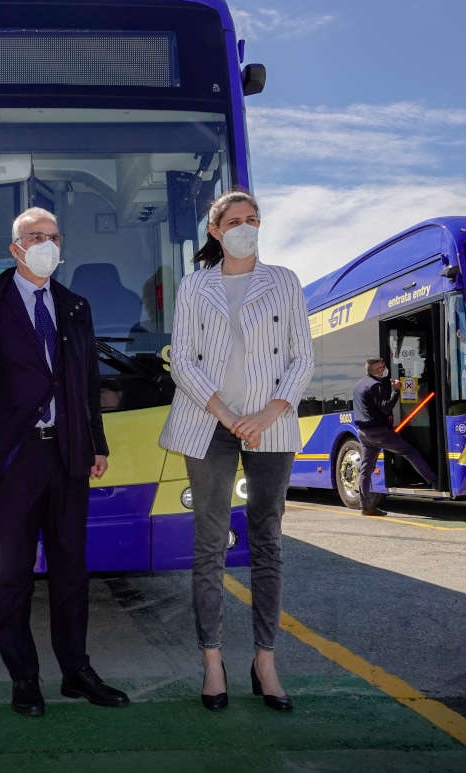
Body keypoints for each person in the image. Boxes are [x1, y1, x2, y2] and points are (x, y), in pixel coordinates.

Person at [0, 207, 129, 716]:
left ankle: (76, 672)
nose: (46, 244)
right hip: (12, 458)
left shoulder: (73, 305)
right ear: (15, 248)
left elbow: (86, 382)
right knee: (13, 575)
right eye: (35, 236)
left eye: (53, 236)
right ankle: (23, 677)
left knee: (72, 570)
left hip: (67, 454)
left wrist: (96, 443)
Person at [158, 189, 313, 713]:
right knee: (209, 541)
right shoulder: (194, 285)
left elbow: (301, 358)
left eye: (253, 219)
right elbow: (183, 361)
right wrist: (229, 416)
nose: (245, 227)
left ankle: (265, 661)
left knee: (268, 538)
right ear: (215, 230)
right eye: (235, 221)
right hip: (208, 422)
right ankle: (212, 661)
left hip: (271, 423)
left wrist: (266, 415)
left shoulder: (284, 281)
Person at [352, 357, 437, 516]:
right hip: (379, 432)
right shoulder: (375, 385)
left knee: (366, 469)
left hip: (363, 433)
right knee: (409, 451)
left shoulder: (358, 385)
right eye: (382, 366)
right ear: (377, 370)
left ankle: (366, 506)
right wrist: (396, 390)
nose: (384, 368)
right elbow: (385, 408)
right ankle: (434, 481)